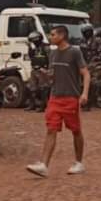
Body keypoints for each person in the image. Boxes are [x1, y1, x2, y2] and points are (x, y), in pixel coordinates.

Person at [26, 25, 90, 178]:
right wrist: (46, 75)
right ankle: (44, 165)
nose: (50, 37)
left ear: (62, 35)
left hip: (70, 98)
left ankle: (78, 162)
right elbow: (53, 75)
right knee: (51, 129)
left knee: (76, 130)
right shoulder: (53, 54)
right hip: (55, 97)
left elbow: (86, 73)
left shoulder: (74, 52)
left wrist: (84, 93)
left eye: (53, 34)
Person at [25, 31, 51, 113]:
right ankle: (32, 105)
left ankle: (42, 106)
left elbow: (50, 58)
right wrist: (29, 48)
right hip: (35, 69)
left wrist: (48, 70)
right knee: (31, 88)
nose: (33, 42)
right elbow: (31, 56)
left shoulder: (46, 47)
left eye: (33, 41)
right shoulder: (34, 48)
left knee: (43, 88)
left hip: (43, 69)